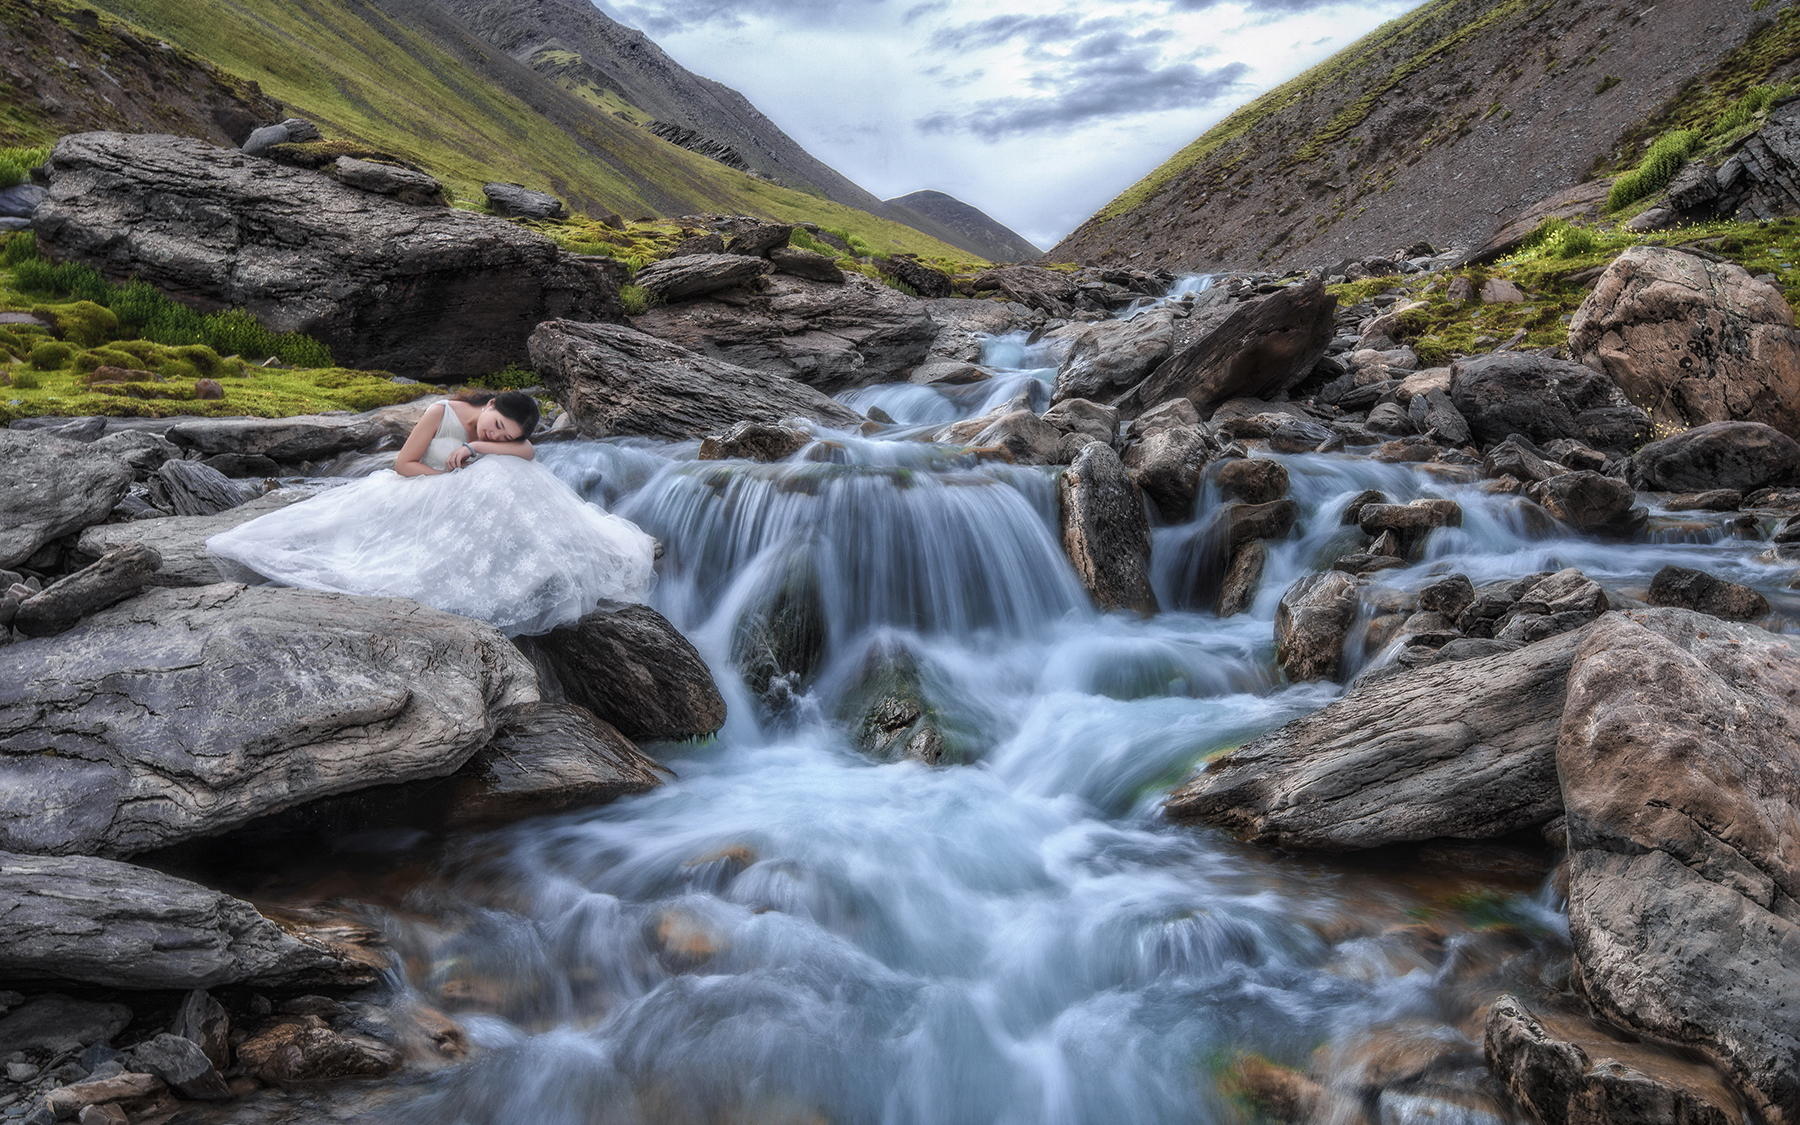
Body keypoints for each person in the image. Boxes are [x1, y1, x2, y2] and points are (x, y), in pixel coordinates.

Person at [207, 390, 656, 636]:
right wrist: (446, 482)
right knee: (496, 475)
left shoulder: (493, 439)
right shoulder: (441, 411)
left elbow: (529, 451)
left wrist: (476, 447)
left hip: (466, 498)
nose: (496, 435)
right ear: (492, 404)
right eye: (495, 426)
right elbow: (403, 464)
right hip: (419, 488)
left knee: (506, 470)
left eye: (503, 436)